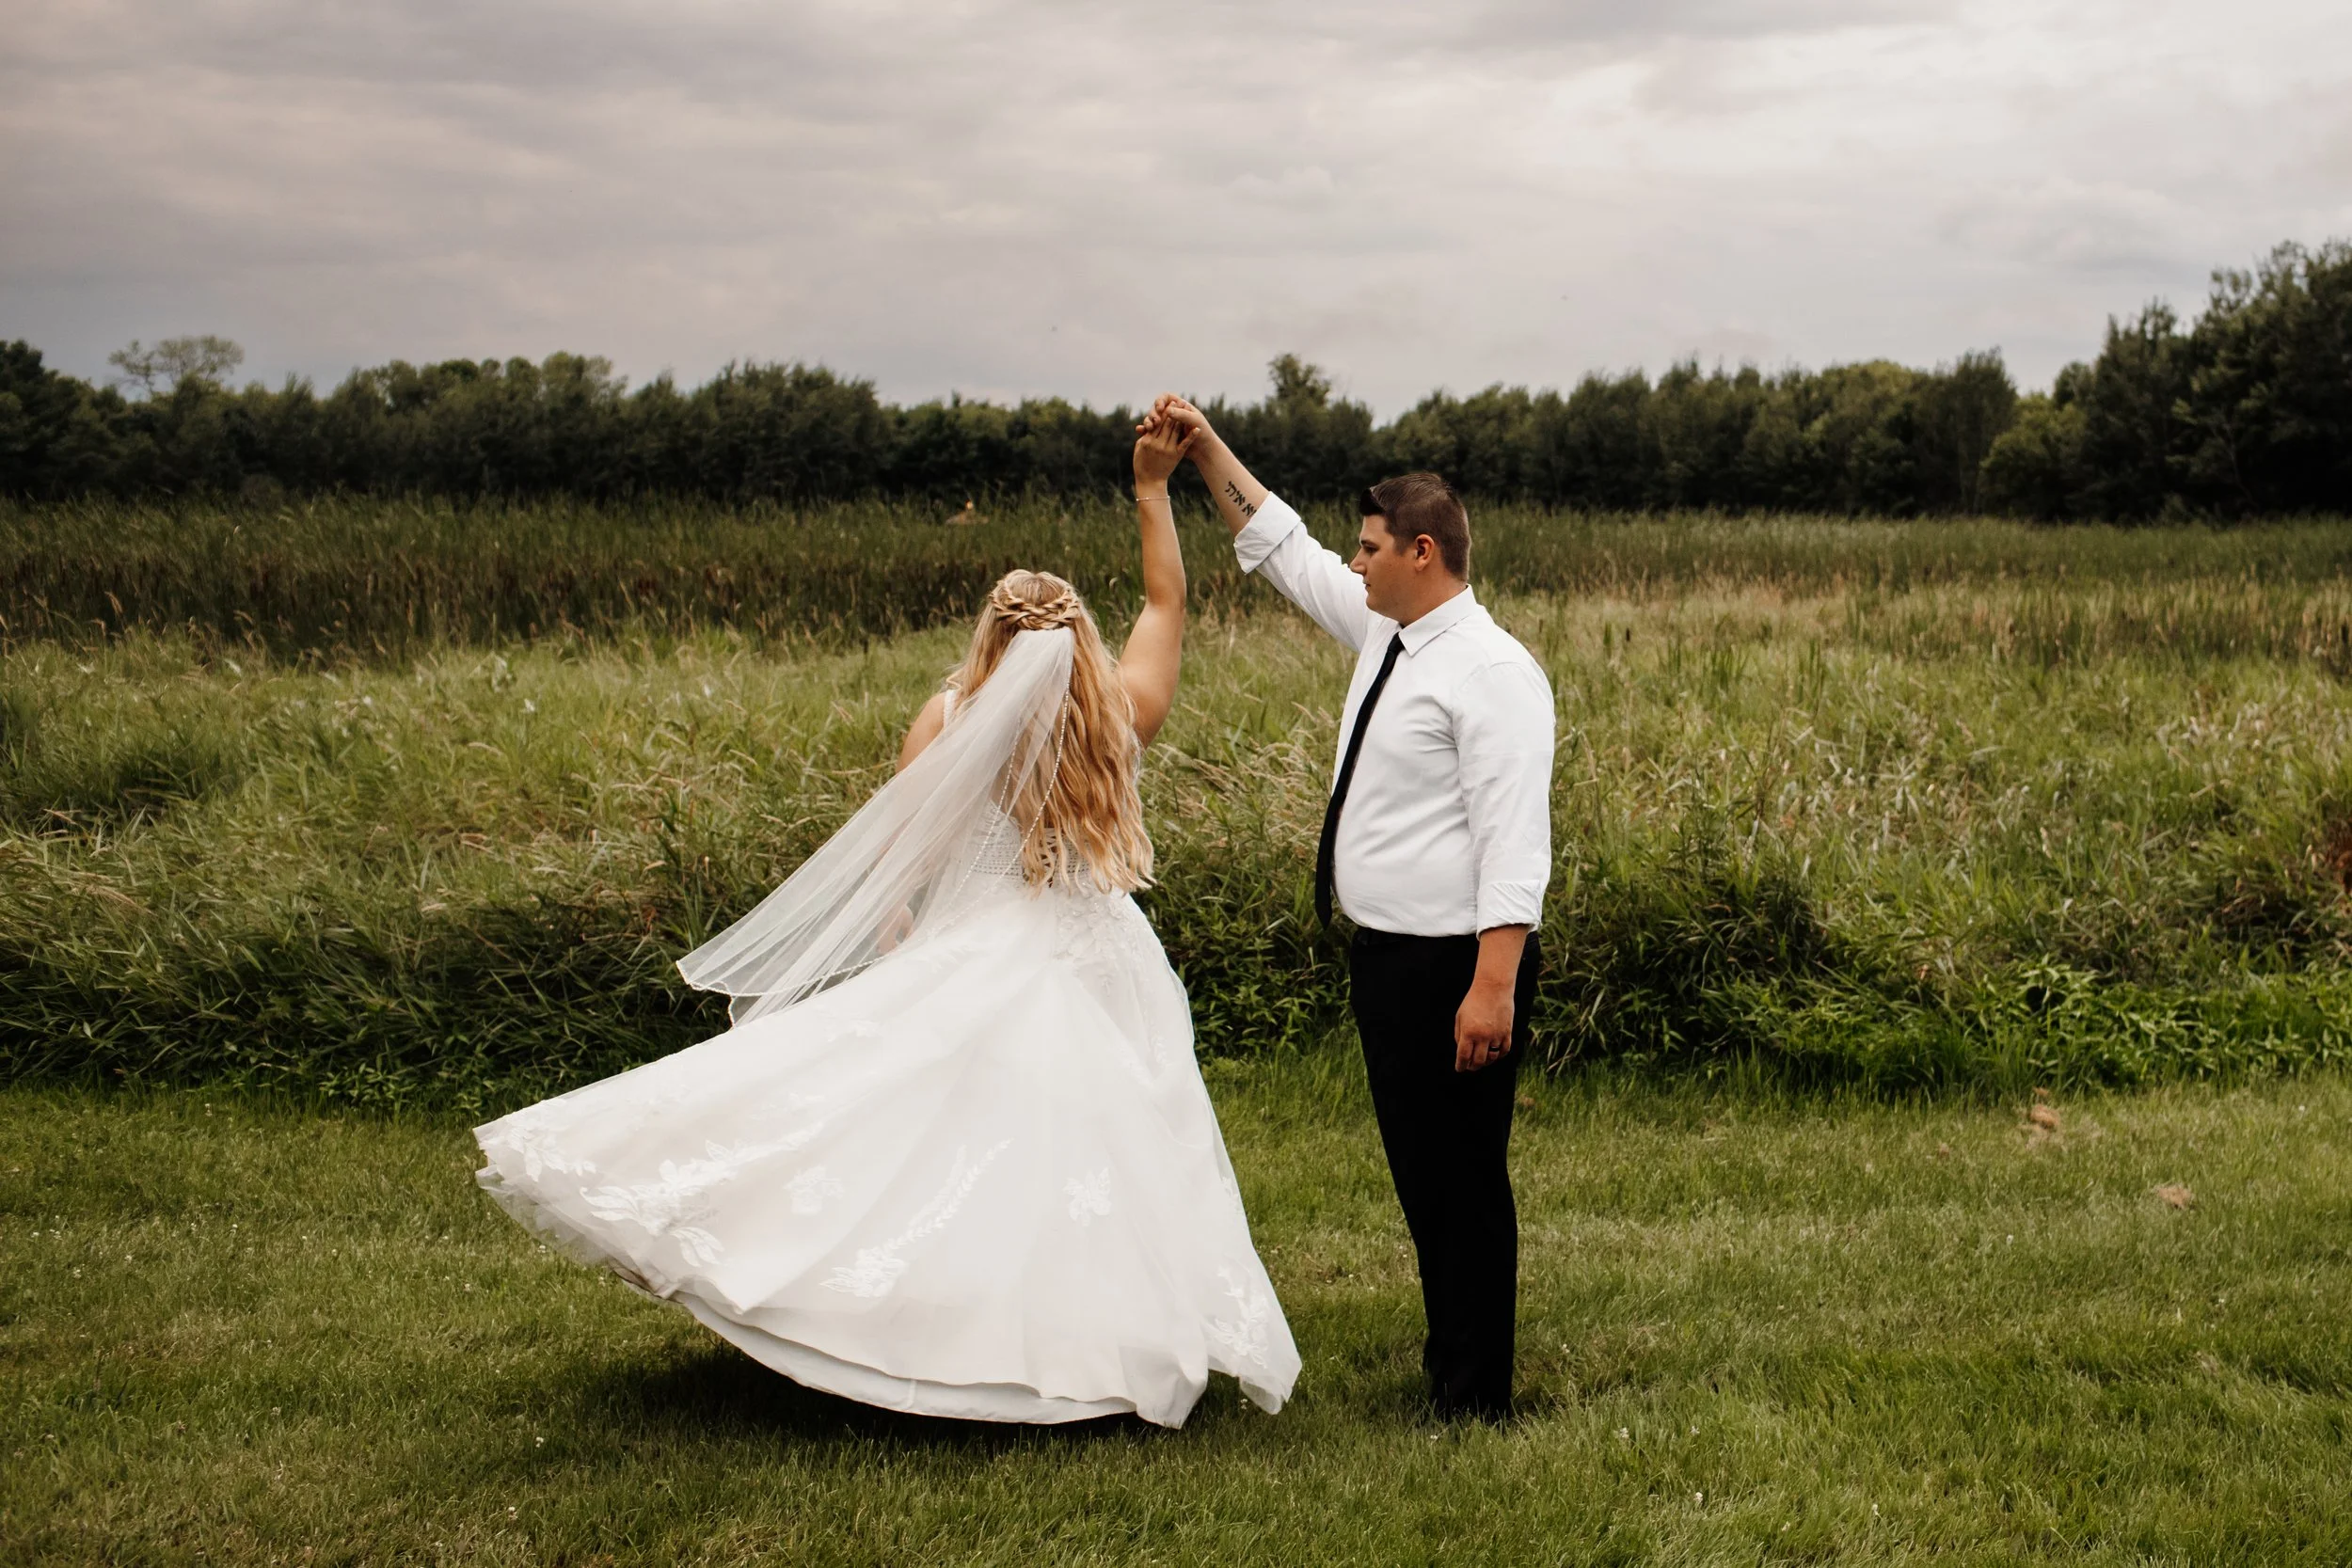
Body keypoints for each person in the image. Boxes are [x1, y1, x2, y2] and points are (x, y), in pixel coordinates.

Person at [473, 418, 1299, 1427]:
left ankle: (926, 1333)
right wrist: (1149, 488)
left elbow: (897, 858)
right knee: (1098, 1154)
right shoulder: (1120, 714)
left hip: (978, 946)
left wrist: (905, 933)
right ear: (1079, 638)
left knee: (936, 1146)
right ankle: (1077, 1348)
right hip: (1101, 960)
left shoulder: (950, 715)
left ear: (992, 638)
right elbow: (1169, 598)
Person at [1144, 394, 1553, 1421]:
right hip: (1388, 959)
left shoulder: (1494, 672)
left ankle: (1475, 1397)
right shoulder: (1386, 631)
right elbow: (1276, 543)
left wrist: (1491, 987)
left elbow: (1513, 845)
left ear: (1423, 550)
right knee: (1422, 1179)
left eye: (1369, 547)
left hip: (1457, 966)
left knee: (1461, 1181)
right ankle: (1448, 1363)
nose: (1353, 560)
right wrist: (1202, 451)